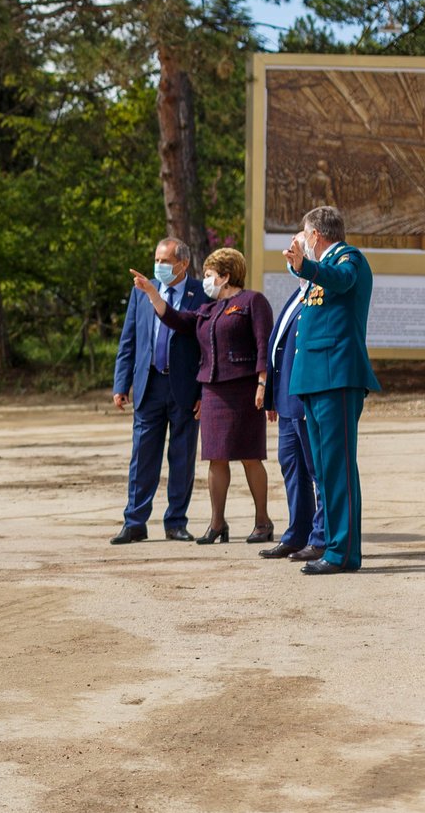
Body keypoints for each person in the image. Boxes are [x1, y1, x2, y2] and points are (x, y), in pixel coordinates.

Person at [133, 248, 275, 545]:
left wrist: (264, 383)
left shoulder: (252, 301)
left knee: (250, 456)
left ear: (225, 276)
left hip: (244, 390)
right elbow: (177, 319)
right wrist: (151, 293)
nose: (206, 281)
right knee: (216, 458)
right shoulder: (208, 310)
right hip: (212, 390)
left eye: (210, 275)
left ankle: (262, 521)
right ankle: (217, 523)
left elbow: (264, 344)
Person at [284, 206, 379, 576]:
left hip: (337, 376)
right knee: (324, 470)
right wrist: (302, 269)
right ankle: (333, 545)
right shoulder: (317, 271)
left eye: (304, 234)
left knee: (337, 468)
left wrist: (305, 267)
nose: (302, 241)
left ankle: (343, 553)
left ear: (316, 235)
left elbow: (341, 280)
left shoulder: (348, 258)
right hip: (315, 379)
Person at [110, 238, 206, 544]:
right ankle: (135, 521)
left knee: (182, 456)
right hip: (149, 384)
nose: (159, 266)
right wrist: (121, 384)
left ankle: (176, 521)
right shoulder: (142, 291)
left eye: (165, 261)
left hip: (184, 387)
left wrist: (205, 392)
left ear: (183, 264)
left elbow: (208, 346)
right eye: (157, 260)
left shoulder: (201, 293)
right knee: (142, 456)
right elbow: (129, 340)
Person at [260, 273, 325, 561]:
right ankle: (296, 535)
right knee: (293, 470)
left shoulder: (319, 293)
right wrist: (273, 395)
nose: (290, 254)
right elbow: (279, 351)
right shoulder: (298, 293)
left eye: (297, 247)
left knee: (317, 471)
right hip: (286, 399)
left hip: (305, 397)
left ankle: (321, 537)